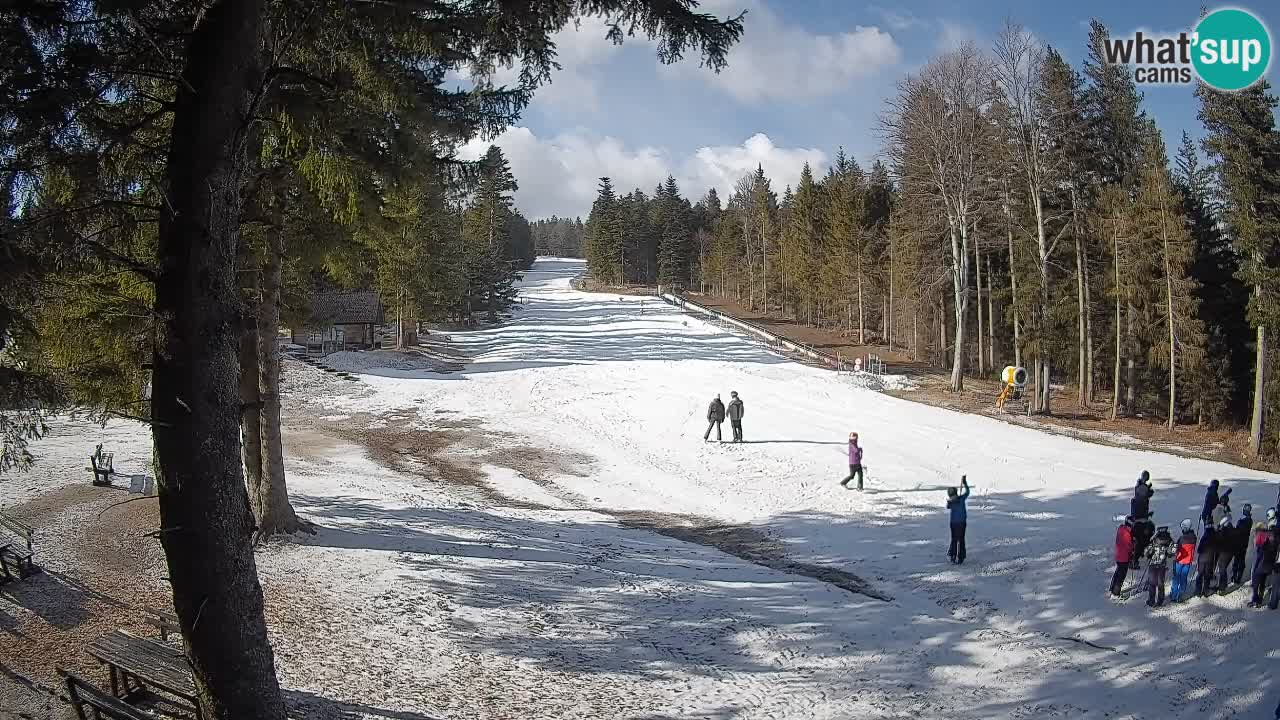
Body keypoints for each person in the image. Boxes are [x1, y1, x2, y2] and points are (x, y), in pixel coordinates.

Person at [1252, 518, 1280, 608]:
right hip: (1272, 565)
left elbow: (1257, 543)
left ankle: (1256, 600)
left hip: (1263, 562)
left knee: (1256, 579)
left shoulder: (1265, 535)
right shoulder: (1278, 538)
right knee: (1263, 581)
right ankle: (1260, 599)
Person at [1144, 525, 1173, 607]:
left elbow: (1147, 552)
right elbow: (1172, 552)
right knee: (1161, 583)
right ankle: (1160, 600)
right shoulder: (1169, 540)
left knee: (1152, 583)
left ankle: (1151, 600)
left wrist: (1149, 555)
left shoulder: (1154, 540)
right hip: (1162, 565)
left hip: (1153, 564)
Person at [1170, 519, 1196, 602]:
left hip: (1179, 561)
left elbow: (1176, 549)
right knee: (1183, 578)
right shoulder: (1193, 537)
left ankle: (1174, 595)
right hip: (1188, 562)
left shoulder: (1182, 539)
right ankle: (1180, 594)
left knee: (1176, 578)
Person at [946, 476, 970, 565]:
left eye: (953, 495)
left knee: (960, 539)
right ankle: (953, 555)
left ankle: (960, 556)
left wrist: (965, 483)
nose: (953, 497)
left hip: (960, 523)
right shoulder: (952, 502)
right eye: (951, 496)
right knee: (955, 539)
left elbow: (968, 492)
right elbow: (948, 506)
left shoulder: (961, 499)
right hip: (955, 523)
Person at [1111, 516, 1135, 596]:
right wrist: (1133, 546)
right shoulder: (1127, 533)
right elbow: (1129, 546)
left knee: (1117, 572)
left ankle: (1112, 588)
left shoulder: (1121, 529)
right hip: (1124, 557)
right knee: (1121, 575)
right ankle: (1116, 592)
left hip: (1118, 556)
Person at [1195, 524, 1219, 596]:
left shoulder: (1204, 537)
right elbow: (1217, 551)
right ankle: (1206, 591)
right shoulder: (1216, 538)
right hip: (1210, 559)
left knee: (1200, 574)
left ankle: (1198, 591)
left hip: (1201, 559)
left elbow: (1199, 550)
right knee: (1207, 575)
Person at [1214, 515, 1236, 593]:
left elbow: (1217, 540)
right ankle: (1222, 585)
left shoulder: (1223, 531)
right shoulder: (1233, 529)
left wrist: (1218, 529)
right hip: (1230, 553)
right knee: (1223, 569)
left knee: (1222, 569)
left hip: (1224, 553)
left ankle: (1222, 587)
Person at [1232, 504, 1253, 585]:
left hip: (1239, 543)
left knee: (1237, 560)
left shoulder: (1243, 521)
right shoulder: (1249, 520)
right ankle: (1237, 577)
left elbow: (1238, 531)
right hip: (1244, 543)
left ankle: (1235, 577)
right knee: (1240, 559)